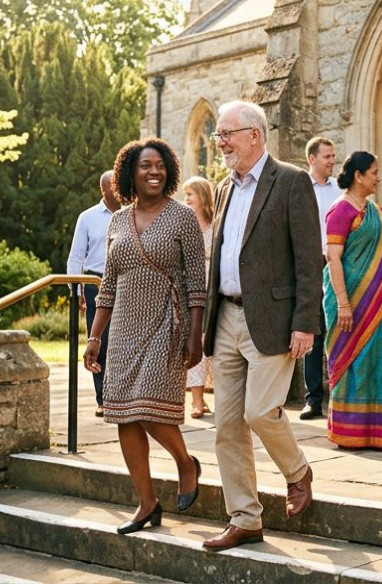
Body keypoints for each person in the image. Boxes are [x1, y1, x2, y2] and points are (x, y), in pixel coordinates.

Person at [201, 101, 322, 551]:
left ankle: (298, 471)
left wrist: (305, 323)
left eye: (227, 133)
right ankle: (245, 518)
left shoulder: (290, 181)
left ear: (255, 135)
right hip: (225, 318)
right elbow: (221, 256)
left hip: (272, 319)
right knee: (226, 426)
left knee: (259, 412)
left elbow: (308, 259)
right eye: (218, 135)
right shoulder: (222, 189)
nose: (220, 142)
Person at [82, 139, 206, 535]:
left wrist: (195, 334)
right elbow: (108, 286)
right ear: (129, 174)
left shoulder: (182, 217)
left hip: (166, 324)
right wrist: (94, 338)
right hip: (122, 330)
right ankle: (146, 503)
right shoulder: (118, 221)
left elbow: (197, 282)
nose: (154, 172)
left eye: (160, 165)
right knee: (124, 415)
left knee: (149, 409)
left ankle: (186, 463)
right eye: (145, 166)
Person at [321, 151, 382, 449]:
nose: (378, 178)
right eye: (374, 173)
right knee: (352, 363)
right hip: (348, 301)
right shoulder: (340, 210)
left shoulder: (377, 213)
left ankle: (378, 432)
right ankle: (351, 432)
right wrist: (344, 304)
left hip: (375, 302)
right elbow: (333, 258)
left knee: (375, 362)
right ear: (358, 176)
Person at [67, 170, 119, 417]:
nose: (118, 189)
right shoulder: (87, 217)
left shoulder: (133, 214)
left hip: (125, 282)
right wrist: (76, 289)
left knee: (124, 341)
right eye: (113, 185)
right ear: (103, 190)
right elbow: (76, 256)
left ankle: (124, 396)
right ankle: (103, 399)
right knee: (99, 341)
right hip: (95, 284)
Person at [301, 137, 342, 421]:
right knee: (312, 333)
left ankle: (339, 399)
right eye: (327, 156)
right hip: (311, 267)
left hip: (337, 266)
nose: (332, 161)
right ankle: (313, 399)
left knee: (339, 329)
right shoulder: (300, 188)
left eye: (333, 156)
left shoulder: (341, 189)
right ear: (312, 159)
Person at [182, 175, 216, 418]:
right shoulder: (185, 224)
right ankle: (196, 400)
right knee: (195, 340)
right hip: (191, 288)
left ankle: (215, 396)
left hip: (215, 288)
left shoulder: (217, 223)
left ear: (202, 196)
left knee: (214, 344)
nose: (186, 199)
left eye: (190, 194)